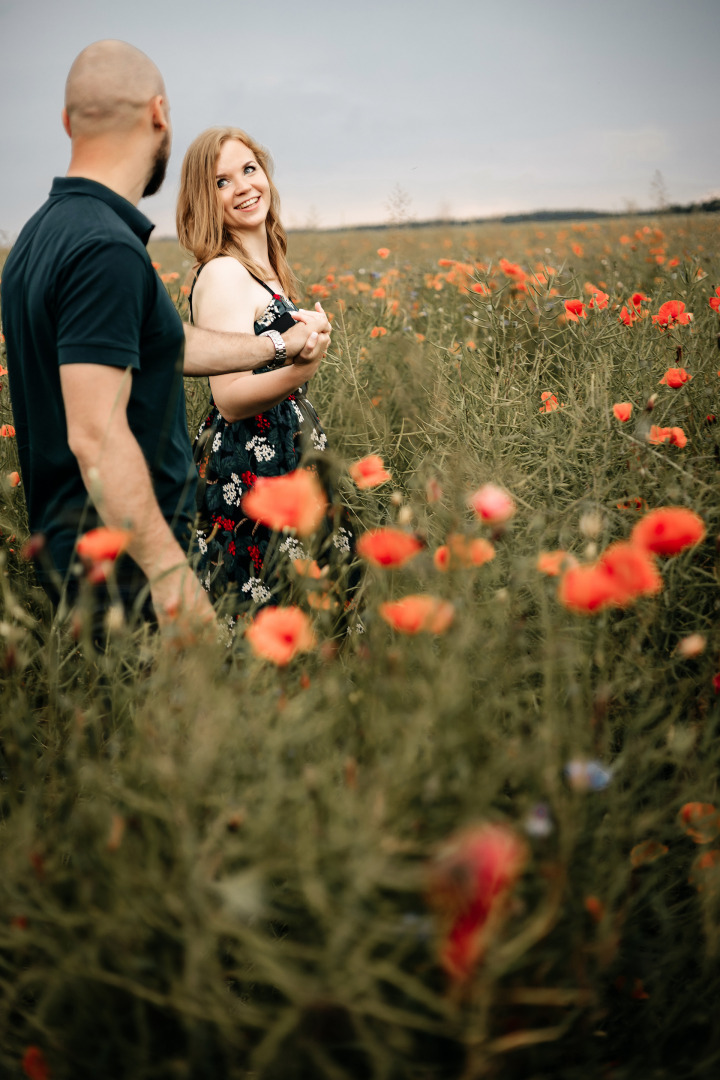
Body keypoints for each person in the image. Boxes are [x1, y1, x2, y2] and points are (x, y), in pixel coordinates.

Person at [0, 41, 330, 635]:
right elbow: (97, 435)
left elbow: (164, 345)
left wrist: (275, 346)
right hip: (128, 569)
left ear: (67, 122)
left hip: (84, 552)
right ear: (159, 115)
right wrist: (174, 581)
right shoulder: (104, 248)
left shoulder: (40, 236)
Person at [176, 128, 356, 617]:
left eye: (249, 170)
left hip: (284, 450)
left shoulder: (262, 266)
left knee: (309, 597)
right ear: (203, 198)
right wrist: (305, 366)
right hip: (251, 465)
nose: (243, 187)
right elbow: (230, 397)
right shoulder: (223, 273)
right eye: (221, 182)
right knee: (268, 599)